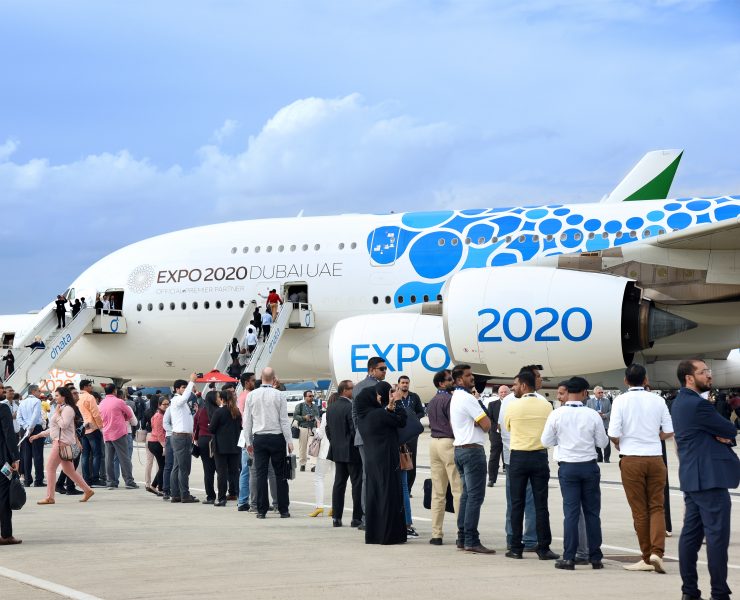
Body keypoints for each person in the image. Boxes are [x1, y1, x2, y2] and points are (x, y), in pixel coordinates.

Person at [672, 359, 740, 600]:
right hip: (709, 479)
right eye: (704, 372)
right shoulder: (698, 405)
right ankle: (719, 593)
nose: (709, 376)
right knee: (717, 538)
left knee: (690, 537)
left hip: (693, 478)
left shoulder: (680, 403)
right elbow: (730, 429)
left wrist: (715, 434)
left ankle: (689, 590)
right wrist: (720, 434)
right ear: (690, 378)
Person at [607, 363, 674, 573]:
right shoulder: (658, 400)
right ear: (646, 380)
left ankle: (646, 557)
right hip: (655, 457)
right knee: (657, 506)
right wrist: (654, 437)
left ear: (626, 381)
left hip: (632, 458)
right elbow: (669, 431)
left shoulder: (620, 400)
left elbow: (613, 433)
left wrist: (620, 443)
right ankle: (658, 552)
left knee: (639, 510)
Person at [542, 377, 608, 570]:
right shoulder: (592, 414)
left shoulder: (557, 414)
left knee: (571, 513)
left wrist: (562, 441)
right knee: (592, 514)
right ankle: (595, 557)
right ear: (584, 392)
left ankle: (569, 557)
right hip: (589, 466)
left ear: (567, 391)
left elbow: (546, 441)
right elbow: (602, 443)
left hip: (568, 467)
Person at [505, 369, 558, 560]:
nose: (514, 388)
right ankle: (543, 547)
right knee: (540, 504)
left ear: (524, 385)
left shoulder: (512, 406)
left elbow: (508, 427)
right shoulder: (546, 406)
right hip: (539, 456)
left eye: (516, 385)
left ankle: (515, 547)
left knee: (517, 504)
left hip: (518, 457)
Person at [449, 364, 494, 554]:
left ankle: (462, 537)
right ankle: (471, 539)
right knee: (475, 496)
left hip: (459, 449)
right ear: (459, 380)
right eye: (468, 376)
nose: (472, 378)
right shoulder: (468, 398)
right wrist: (478, 403)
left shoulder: (456, 397)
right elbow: (486, 425)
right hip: (472, 450)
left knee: (467, 495)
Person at [355, 381, 406, 545]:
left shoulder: (364, 418)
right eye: (375, 395)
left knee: (376, 495)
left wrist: (390, 406)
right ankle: (389, 534)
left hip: (373, 460)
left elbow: (388, 415)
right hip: (386, 459)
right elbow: (401, 420)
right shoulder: (378, 415)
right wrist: (397, 401)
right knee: (388, 494)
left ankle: (375, 533)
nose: (379, 397)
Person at [31, 387, 94, 504]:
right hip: (60, 441)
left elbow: (63, 425)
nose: (55, 398)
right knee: (69, 470)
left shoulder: (68, 409)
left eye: (57, 395)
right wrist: (39, 435)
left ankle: (50, 497)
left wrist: (58, 415)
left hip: (62, 443)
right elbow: (55, 428)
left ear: (64, 396)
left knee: (50, 468)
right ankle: (88, 490)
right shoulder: (62, 408)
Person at [244, 367, 293, 518]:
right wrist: (289, 441)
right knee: (281, 475)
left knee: (260, 475)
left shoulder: (251, 395)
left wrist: (248, 442)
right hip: (277, 437)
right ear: (274, 378)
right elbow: (284, 420)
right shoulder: (279, 395)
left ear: (261, 377)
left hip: (259, 438)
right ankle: (283, 509)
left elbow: (247, 422)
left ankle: (261, 510)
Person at [427, 369, 462, 546]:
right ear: (442, 383)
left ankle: (436, 534)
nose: (453, 381)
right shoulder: (450, 400)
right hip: (448, 442)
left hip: (434, 442)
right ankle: (461, 531)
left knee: (438, 491)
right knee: (457, 489)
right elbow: (454, 422)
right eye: (449, 379)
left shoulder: (432, 401)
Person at [352, 356, 387, 530]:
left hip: (362, 437)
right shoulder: (375, 387)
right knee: (374, 476)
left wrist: (360, 431)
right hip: (374, 438)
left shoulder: (357, 387)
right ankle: (372, 516)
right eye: (382, 369)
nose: (385, 372)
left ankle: (368, 515)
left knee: (367, 476)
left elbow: (354, 416)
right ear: (372, 370)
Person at [326, 380, 363, 526]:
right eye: (351, 388)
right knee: (357, 484)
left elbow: (329, 430)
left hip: (337, 451)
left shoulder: (331, 407)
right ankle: (356, 518)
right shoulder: (350, 406)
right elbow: (354, 429)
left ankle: (336, 517)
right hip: (352, 451)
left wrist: (335, 443)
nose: (354, 390)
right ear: (344, 391)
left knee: (339, 484)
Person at [99, 384, 139, 490]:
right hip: (119, 433)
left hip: (107, 433)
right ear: (114, 391)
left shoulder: (101, 403)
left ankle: (110, 482)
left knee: (109, 459)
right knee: (124, 458)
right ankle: (129, 481)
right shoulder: (119, 402)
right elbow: (130, 415)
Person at [209, 389, 242, 507]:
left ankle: (222, 498)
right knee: (235, 472)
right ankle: (240, 496)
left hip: (221, 446)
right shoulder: (236, 411)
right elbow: (240, 427)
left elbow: (212, 429)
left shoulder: (219, 412)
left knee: (222, 473)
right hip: (235, 445)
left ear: (222, 399)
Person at [169, 374, 199, 503]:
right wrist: (191, 382)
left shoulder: (180, 402)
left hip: (181, 437)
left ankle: (176, 494)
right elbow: (185, 397)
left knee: (177, 467)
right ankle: (184, 495)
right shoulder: (177, 400)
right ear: (176, 389)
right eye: (182, 387)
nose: (185, 389)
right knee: (184, 468)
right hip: (181, 437)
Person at [396, 375, 425, 495]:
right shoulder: (395, 396)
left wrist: (413, 419)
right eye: (402, 383)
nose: (405, 385)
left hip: (412, 433)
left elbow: (421, 412)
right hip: (399, 432)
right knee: (398, 460)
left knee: (411, 460)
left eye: (407, 383)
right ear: (398, 384)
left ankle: (408, 489)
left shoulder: (414, 397)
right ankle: (399, 488)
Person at [308, 394, 333, 518]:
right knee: (336, 479)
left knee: (319, 477)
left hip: (325, 450)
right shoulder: (347, 411)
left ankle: (319, 506)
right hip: (339, 450)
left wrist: (316, 429)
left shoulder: (326, 415)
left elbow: (321, 434)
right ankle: (335, 506)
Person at [0, 398, 21, 544]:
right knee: (3, 496)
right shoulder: (3, 408)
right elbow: (9, 434)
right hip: (2, 460)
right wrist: (15, 457)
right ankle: (6, 535)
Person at [193, 388, 219, 504]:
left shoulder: (200, 411)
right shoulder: (219, 411)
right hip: (216, 440)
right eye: (218, 397)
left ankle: (210, 496)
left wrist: (196, 439)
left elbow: (196, 426)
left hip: (203, 440)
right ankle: (222, 494)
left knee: (208, 470)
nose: (220, 399)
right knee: (220, 469)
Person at [17, 384, 45, 487]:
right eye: (38, 391)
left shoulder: (22, 402)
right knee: (37, 455)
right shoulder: (37, 401)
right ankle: (38, 480)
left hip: (24, 429)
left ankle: (27, 480)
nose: (39, 392)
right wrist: (31, 427)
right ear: (33, 391)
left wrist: (26, 427)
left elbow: (19, 417)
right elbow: (35, 415)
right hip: (35, 428)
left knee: (26, 455)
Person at [78, 380, 104, 487]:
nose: (91, 387)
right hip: (93, 427)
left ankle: (86, 479)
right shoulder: (90, 397)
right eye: (90, 385)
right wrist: (101, 426)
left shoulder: (78, 398)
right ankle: (95, 478)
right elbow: (95, 413)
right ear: (85, 387)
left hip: (83, 428)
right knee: (96, 455)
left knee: (85, 455)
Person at [237, 372, 256, 511]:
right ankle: (244, 500)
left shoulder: (241, 396)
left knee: (246, 469)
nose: (254, 383)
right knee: (249, 470)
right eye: (253, 381)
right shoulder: (249, 396)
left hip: (244, 434)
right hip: (250, 434)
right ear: (246, 382)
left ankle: (243, 500)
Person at [293, 390, 319, 471]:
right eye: (310, 396)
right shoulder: (300, 406)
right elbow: (295, 416)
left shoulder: (315, 406)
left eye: (312, 396)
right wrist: (304, 417)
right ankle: (302, 464)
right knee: (302, 447)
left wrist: (315, 419)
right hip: (303, 428)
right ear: (305, 397)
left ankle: (313, 465)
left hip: (312, 429)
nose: (312, 397)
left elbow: (317, 416)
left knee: (313, 448)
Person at [147, 397, 168, 495]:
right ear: (159, 405)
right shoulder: (159, 416)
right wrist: (164, 446)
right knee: (163, 466)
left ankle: (155, 486)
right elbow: (159, 433)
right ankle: (159, 487)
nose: (167, 406)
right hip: (156, 443)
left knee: (162, 466)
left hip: (155, 442)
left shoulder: (159, 414)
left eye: (168, 404)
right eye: (164, 404)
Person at [487, 385, 506, 487]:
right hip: (496, 435)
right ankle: (491, 479)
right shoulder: (492, 404)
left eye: (505, 392)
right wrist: (498, 428)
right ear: (498, 394)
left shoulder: (513, 404)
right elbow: (489, 419)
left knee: (510, 457)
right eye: (501, 392)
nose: (503, 394)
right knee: (494, 457)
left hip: (509, 435)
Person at [587, 386, 612, 462]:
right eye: (599, 392)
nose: (601, 394)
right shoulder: (589, 402)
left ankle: (607, 458)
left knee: (606, 442)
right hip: (594, 425)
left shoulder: (607, 401)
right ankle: (599, 457)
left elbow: (611, 411)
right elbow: (587, 413)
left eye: (602, 392)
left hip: (605, 424)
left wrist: (604, 415)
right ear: (594, 393)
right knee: (596, 442)